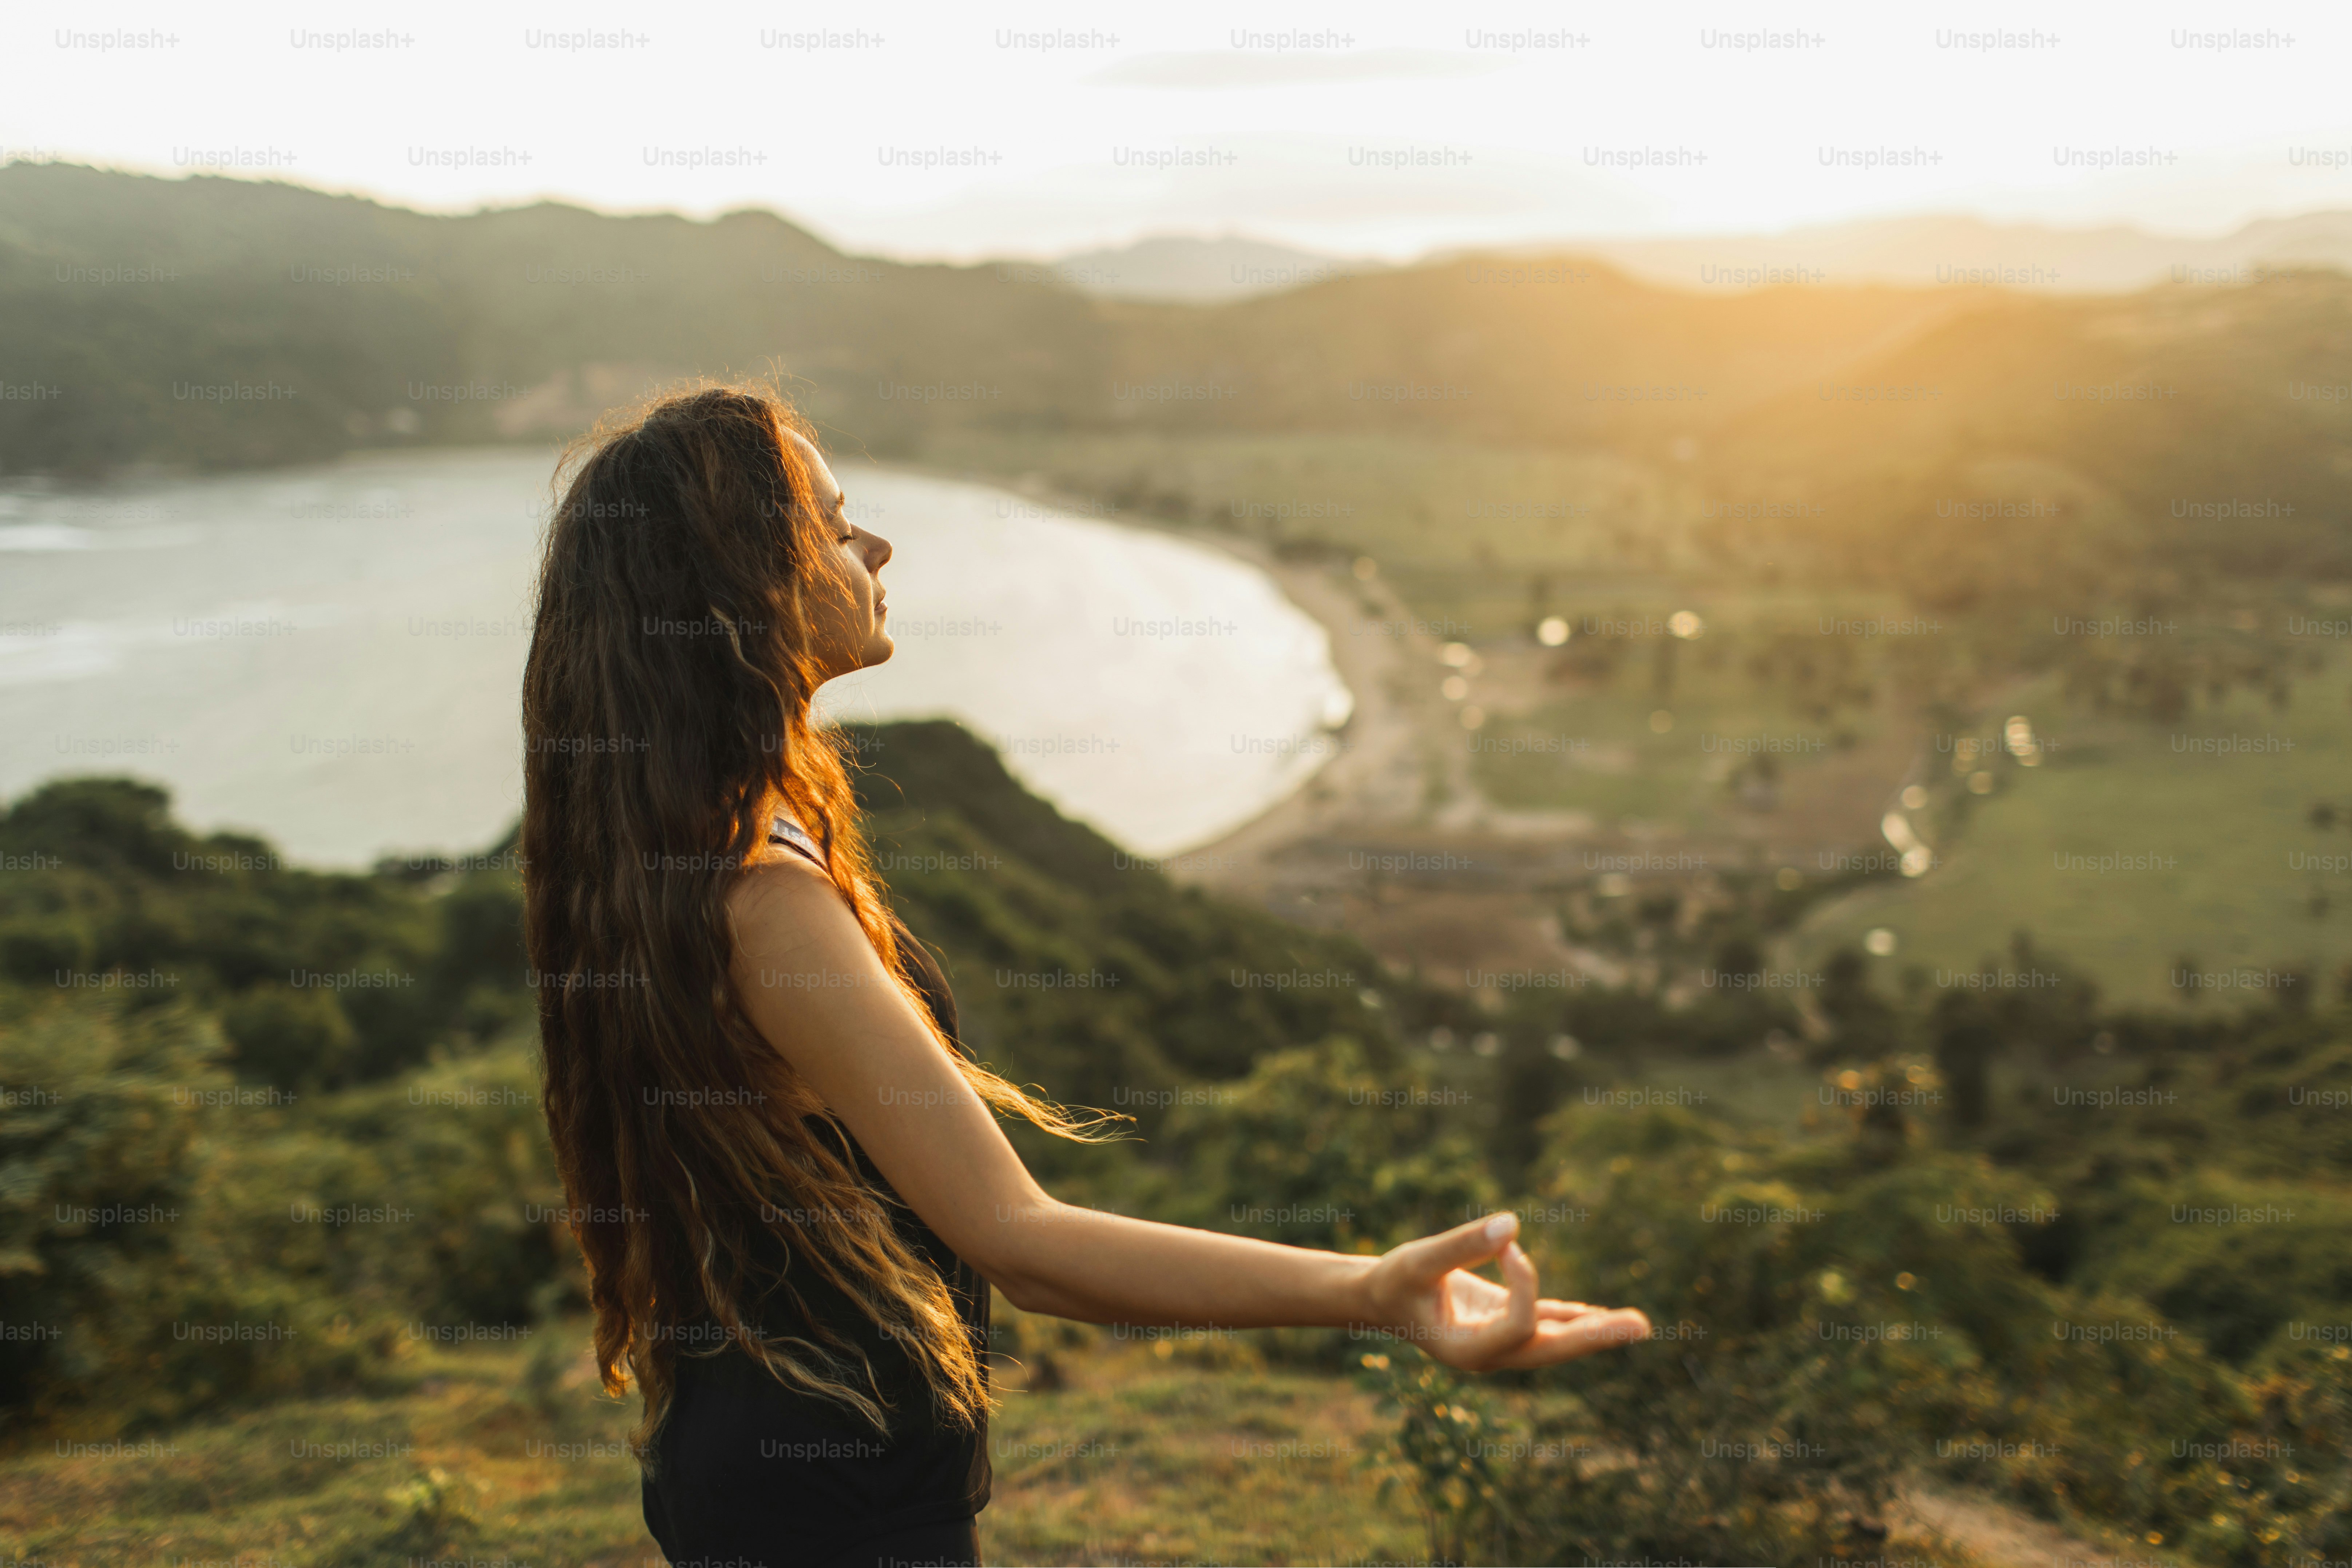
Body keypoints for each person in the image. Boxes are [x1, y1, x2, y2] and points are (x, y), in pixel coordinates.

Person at [519, 384, 1650, 1568]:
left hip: (771, 1450)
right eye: (834, 523)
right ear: (741, 581)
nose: (876, 545)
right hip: (828, 1485)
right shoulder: (763, 900)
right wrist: (1378, 1292)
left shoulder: (693, 849)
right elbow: (1024, 1243)